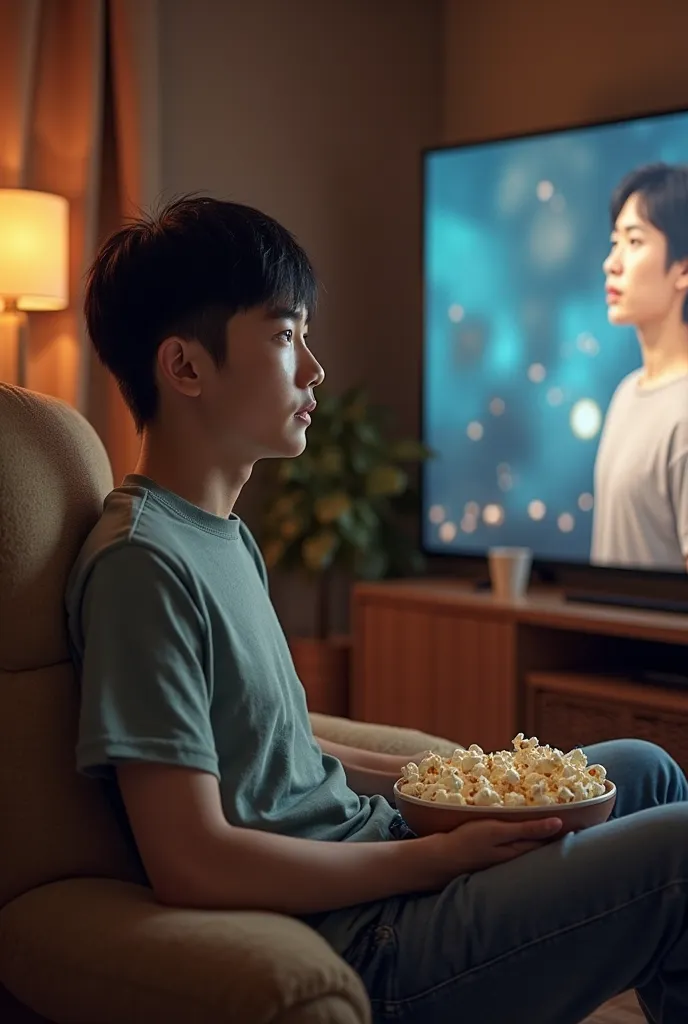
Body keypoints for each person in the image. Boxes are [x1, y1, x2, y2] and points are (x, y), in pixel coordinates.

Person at [66, 195, 688, 1024]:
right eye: (286, 336)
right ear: (185, 367)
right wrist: (437, 861)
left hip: (380, 857)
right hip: (371, 936)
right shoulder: (142, 564)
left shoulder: (219, 536)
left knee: (642, 769)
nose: (314, 369)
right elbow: (193, 862)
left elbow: (271, 742)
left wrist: (447, 785)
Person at [592, 162, 688, 571]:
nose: (612, 263)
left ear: (683, 268)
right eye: (614, 242)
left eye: (634, 242)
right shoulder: (626, 393)